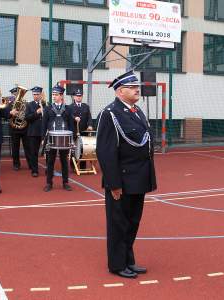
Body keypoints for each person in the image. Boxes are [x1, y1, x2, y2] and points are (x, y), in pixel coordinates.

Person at [96, 70, 157, 279]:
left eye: (136, 86)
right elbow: (105, 151)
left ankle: (128, 260)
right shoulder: (110, 113)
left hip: (139, 178)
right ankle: (117, 264)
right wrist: (113, 183)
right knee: (118, 223)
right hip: (121, 180)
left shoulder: (136, 111)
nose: (136, 89)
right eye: (132, 87)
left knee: (132, 222)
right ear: (120, 91)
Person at [42, 84, 74, 192]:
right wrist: (43, 139)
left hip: (64, 139)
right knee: (50, 161)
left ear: (61, 96)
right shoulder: (48, 108)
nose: (54, 96)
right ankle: (49, 183)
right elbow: (44, 124)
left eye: (56, 95)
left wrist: (72, 138)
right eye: (53, 94)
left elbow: (71, 124)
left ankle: (65, 182)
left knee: (64, 161)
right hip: (51, 138)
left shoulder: (68, 109)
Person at [69, 88, 93, 169]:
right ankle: (74, 165)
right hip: (75, 131)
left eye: (80, 96)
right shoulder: (70, 107)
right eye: (77, 96)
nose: (79, 97)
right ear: (74, 97)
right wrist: (74, 118)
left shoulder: (86, 106)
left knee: (83, 148)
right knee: (75, 148)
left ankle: (82, 166)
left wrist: (90, 125)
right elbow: (69, 116)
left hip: (83, 131)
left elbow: (89, 117)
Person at [8, 87, 31, 171]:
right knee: (15, 147)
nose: (16, 95)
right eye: (14, 94)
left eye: (17, 94)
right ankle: (16, 164)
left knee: (27, 147)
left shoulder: (25, 104)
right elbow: (7, 115)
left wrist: (22, 115)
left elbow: (28, 114)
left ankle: (31, 164)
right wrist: (12, 114)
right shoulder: (9, 105)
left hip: (25, 128)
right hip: (14, 128)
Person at [25, 86, 46, 177]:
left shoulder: (46, 104)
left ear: (41, 94)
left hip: (44, 132)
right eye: (34, 94)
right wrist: (36, 112)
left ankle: (48, 169)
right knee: (33, 152)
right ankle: (34, 170)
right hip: (33, 132)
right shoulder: (29, 105)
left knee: (47, 152)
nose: (36, 96)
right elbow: (27, 118)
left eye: (37, 94)